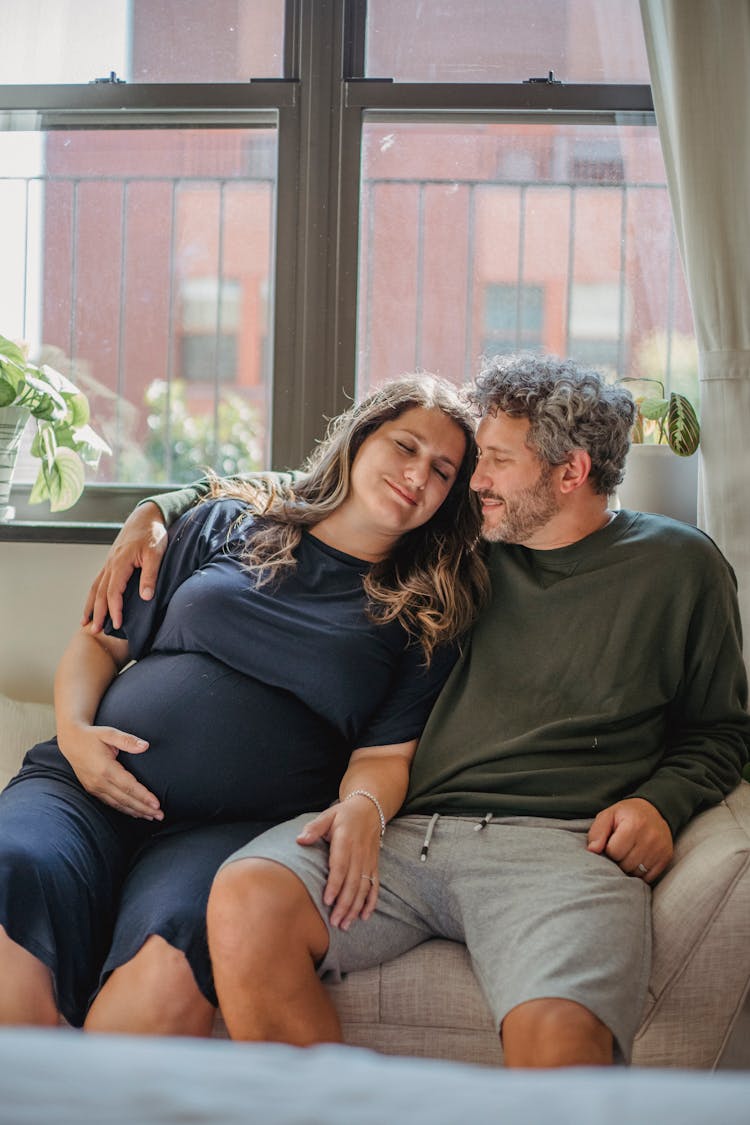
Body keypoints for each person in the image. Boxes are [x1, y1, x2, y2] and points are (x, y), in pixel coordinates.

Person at [83, 354, 750, 1067]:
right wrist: (159, 509)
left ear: (570, 472)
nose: (475, 480)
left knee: (562, 1041)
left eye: (493, 460)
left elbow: (720, 730)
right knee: (249, 897)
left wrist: (660, 802)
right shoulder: (460, 545)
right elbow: (310, 490)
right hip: (404, 834)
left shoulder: (679, 566)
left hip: (560, 845)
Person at [0, 374, 488, 1036]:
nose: (417, 475)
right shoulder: (227, 522)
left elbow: (383, 755)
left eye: (441, 470)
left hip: (228, 833)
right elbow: (99, 644)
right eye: (404, 445)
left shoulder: (424, 615)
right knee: (14, 894)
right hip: (81, 789)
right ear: (360, 436)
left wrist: (365, 809)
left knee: (156, 994)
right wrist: (76, 733)